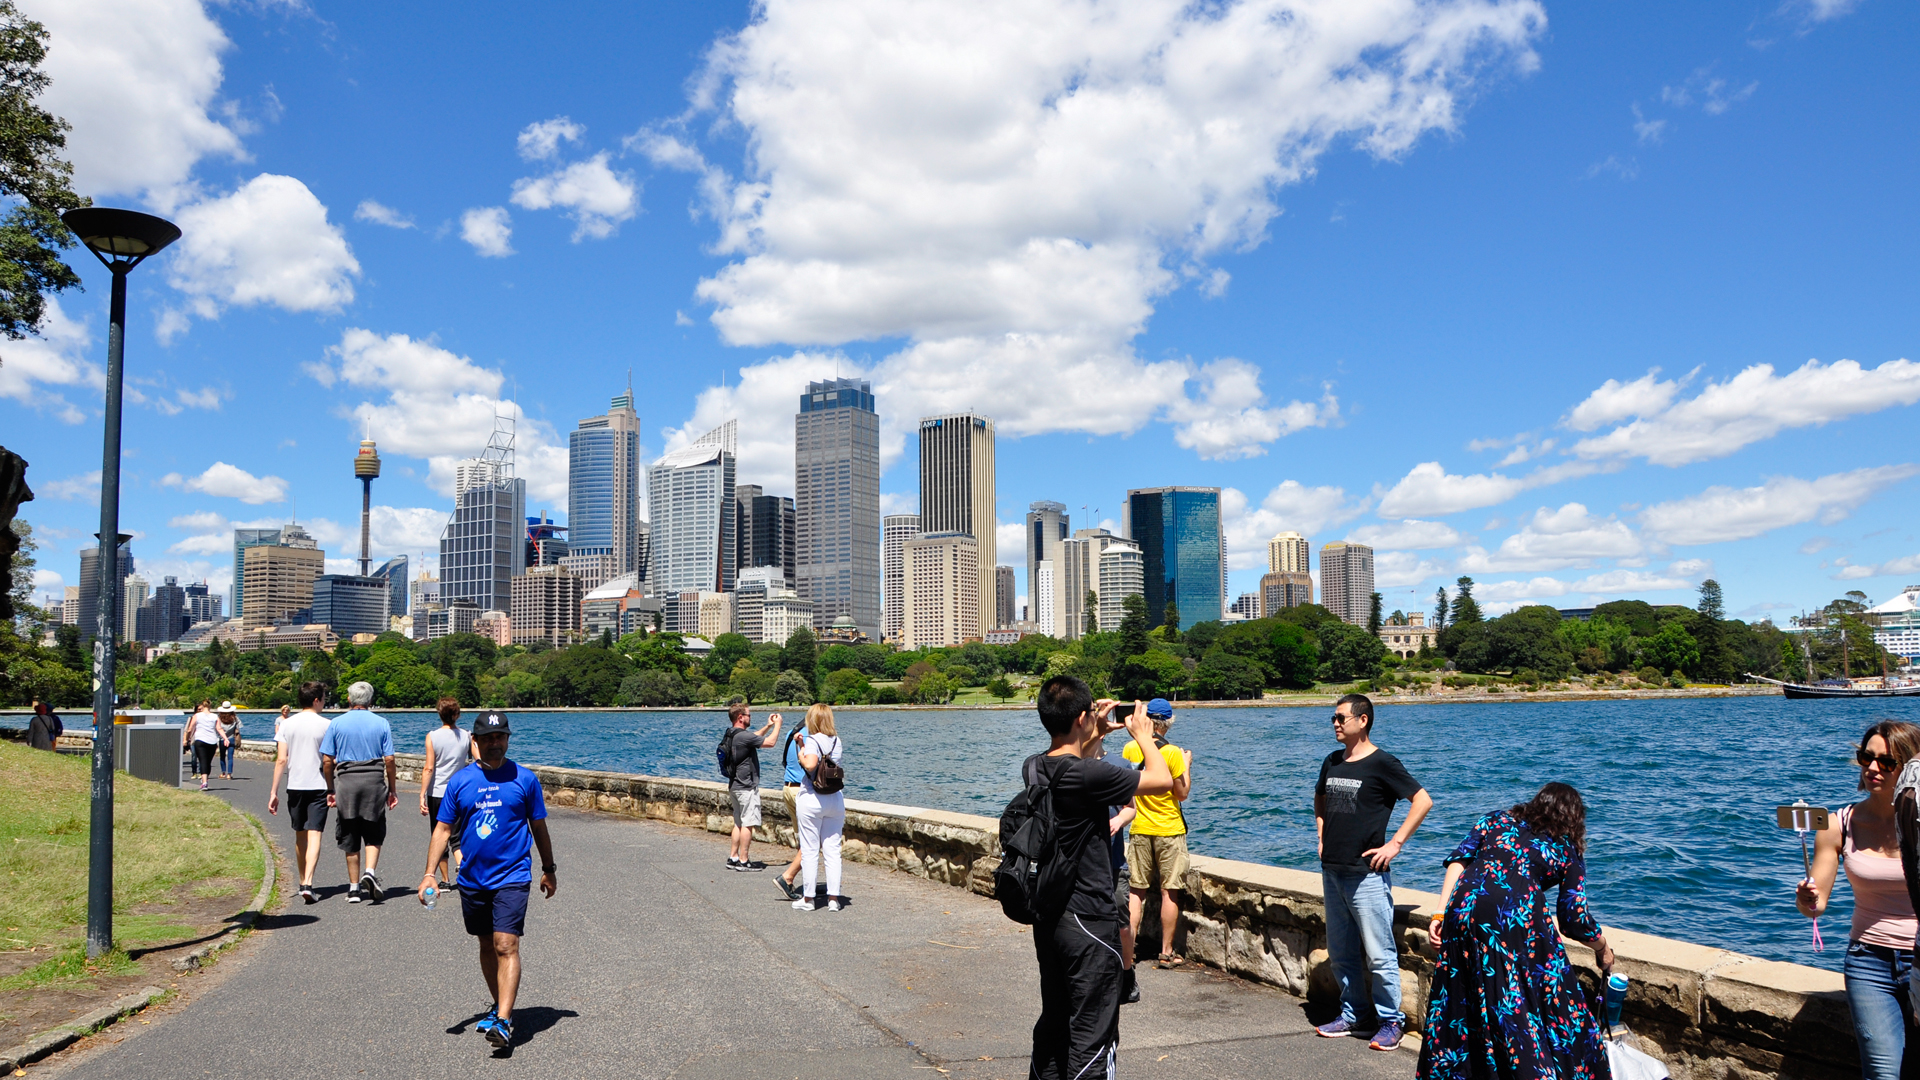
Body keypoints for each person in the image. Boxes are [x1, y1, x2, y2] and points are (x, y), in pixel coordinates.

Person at [1024, 677, 1172, 1080]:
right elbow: (1161, 782)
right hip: (1089, 920)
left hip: (1050, 917)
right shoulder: (1091, 775)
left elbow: (1071, 761)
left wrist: (1096, 729)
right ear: (1078, 719)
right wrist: (1144, 735)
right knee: (1093, 1034)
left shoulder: (1035, 766)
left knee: (1055, 1025)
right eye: (1090, 713)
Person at [1418, 782, 1613, 1079]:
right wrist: (1603, 948)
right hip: (1510, 921)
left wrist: (1441, 913)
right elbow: (1573, 917)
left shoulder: (1496, 819)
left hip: (1463, 910)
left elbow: (1459, 860)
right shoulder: (1565, 847)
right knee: (1528, 1004)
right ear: (1573, 818)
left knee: (1461, 1001)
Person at [419, 710, 557, 1050]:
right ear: (476, 742)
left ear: (508, 739)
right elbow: (443, 829)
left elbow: (538, 826)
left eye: (501, 737)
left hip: (513, 875)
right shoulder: (461, 782)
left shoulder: (524, 779)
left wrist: (549, 869)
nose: (495, 743)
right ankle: (500, 1007)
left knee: (505, 945)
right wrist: (428, 874)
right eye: (488, 738)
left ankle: (506, 1020)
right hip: (472, 878)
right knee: (485, 944)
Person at [1797, 720, 1920, 1080]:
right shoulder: (1839, 824)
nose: (1872, 768)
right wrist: (1806, 898)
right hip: (1870, 963)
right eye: (1866, 757)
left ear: (1910, 767)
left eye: (1886, 762)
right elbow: (1815, 906)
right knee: (1883, 1074)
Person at [1314, 692, 1434, 1052]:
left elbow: (1422, 800)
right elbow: (1319, 798)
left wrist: (1394, 844)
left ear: (1362, 720)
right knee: (1342, 951)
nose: (1335, 723)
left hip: (1365, 874)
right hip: (1332, 870)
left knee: (1380, 954)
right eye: (1333, 718)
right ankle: (1353, 1015)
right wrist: (1321, 836)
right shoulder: (1333, 761)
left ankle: (1391, 1021)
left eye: (1341, 718)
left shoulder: (1382, 763)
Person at [1121, 697, 1192, 971]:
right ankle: (1166, 952)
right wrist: (1186, 763)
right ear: (1169, 722)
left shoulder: (1131, 748)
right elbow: (1181, 794)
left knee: (1136, 892)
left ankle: (1129, 951)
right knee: (1168, 892)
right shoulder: (1173, 752)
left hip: (1139, 827)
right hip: (1169, 829)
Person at [320, 680, 398, 904]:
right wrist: (392, 788)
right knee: (374, 830)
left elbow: (327, 760)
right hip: (374, 781)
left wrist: (330, 787)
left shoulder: (336, 723)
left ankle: (354, 888)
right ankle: (370, 872)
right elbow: (390, 759)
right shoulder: (381, 723)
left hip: (346, 782)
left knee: (349, 831)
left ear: (348, 699)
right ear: (371, 701)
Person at [268, 682, 333, 904]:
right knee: (315, 833)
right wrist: (333, 787)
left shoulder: (287, 724)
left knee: (300, 834)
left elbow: (281, 759)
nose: (325, 702)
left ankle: (301, 881)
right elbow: (329, 760)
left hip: (294, 785)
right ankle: (308, 882)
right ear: (316, 700)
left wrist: (273, 792)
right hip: (319, 785)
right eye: (324, 698)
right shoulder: (327, 725)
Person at [793, 704, 846, 912]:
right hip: (835, 799)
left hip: (812, 799)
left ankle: (808, 899)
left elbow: (811, 765)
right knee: (833, 850)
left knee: (810, 850)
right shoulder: (837, 741)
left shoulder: (813, 740)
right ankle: (834, 899)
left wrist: (801, 752)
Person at [419, 697, 476, 890]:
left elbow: (428, 768)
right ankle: (462, 865)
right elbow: (478, 760)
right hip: (460, 791)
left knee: (439, 833)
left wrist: (422, 794)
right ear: (457, 715)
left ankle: (445, 879)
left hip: (437, 792)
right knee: (458, 835)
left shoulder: (432, 736)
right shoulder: (467, 736)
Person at [721, 700, 781, 871]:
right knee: (747, 824)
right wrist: (778, 725)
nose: (750, 717)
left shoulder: (732, 734)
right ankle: (743, 860)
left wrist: (767, 726)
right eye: (749, 715)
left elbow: (754, 737)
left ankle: (733, 858)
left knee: (738, 823)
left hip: (734, 785)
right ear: (741, 717)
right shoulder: (743, 736)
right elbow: (770, 743)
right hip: (746, 786)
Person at [1101, 738, 1139, 1004]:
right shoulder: (1072, 764)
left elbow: (1131, 809)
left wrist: (1118, 820)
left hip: (1114, 862)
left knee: (1122, 925)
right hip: (1083, 864)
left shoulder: (1119, 765)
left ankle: (1127, 973)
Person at [775, 718, 810, 900]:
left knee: (802, 838)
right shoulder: (810, 734)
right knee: (812, 840)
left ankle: (808, 881)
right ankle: (787, 878)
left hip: (788, 788)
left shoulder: (792, 731)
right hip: (800, 791)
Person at [182, 701, 226, 791]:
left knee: (203, 761)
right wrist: (225, 738)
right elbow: (219, 728)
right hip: (212, 741)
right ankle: (205, 780)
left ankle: (204, 782)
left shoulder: (197, 716)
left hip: (200, 740)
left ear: (202, 707)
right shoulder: (215, 716)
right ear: (210, 707)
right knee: (208, 762)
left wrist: (186, 739)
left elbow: (190, 728)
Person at [216, 705, 243, 780]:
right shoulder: (234, 718)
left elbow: (217, 729)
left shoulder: (219, 719)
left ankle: (223, 773)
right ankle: (229, 774)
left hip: (222, 739)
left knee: (222, 756)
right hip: (231, 739)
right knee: (230, 757)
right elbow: (238, 728)